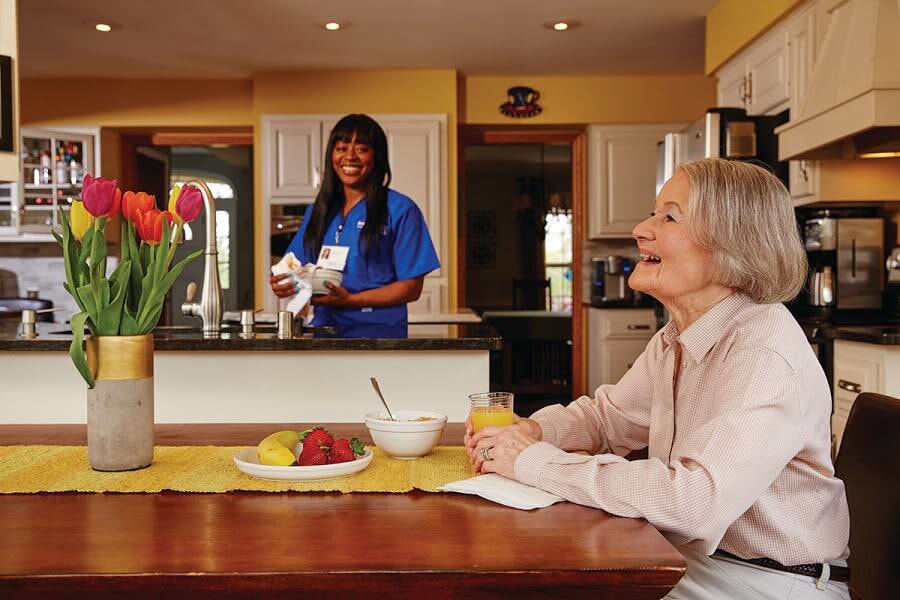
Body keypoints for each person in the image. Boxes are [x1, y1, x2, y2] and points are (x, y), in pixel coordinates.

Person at [465, 158, 850, 599]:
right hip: (702, 561)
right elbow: (608, 420)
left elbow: (692, 502)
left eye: (669, 216)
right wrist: (532, 430)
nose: (641, 229)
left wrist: (533, 460)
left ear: (732, 244)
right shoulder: (680, 333)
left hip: (770, 582)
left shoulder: (762, 354)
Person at [270, 114, 440, 338]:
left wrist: (350, 301)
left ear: (376, 156)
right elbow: (297, 267)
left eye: (361, 149)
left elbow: (411, 287)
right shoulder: (319, 211)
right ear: (332, 155)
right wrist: (283, 282)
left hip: (378, 336)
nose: (349, 156)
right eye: (341, 148)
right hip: (325, 333)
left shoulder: (401, 210)